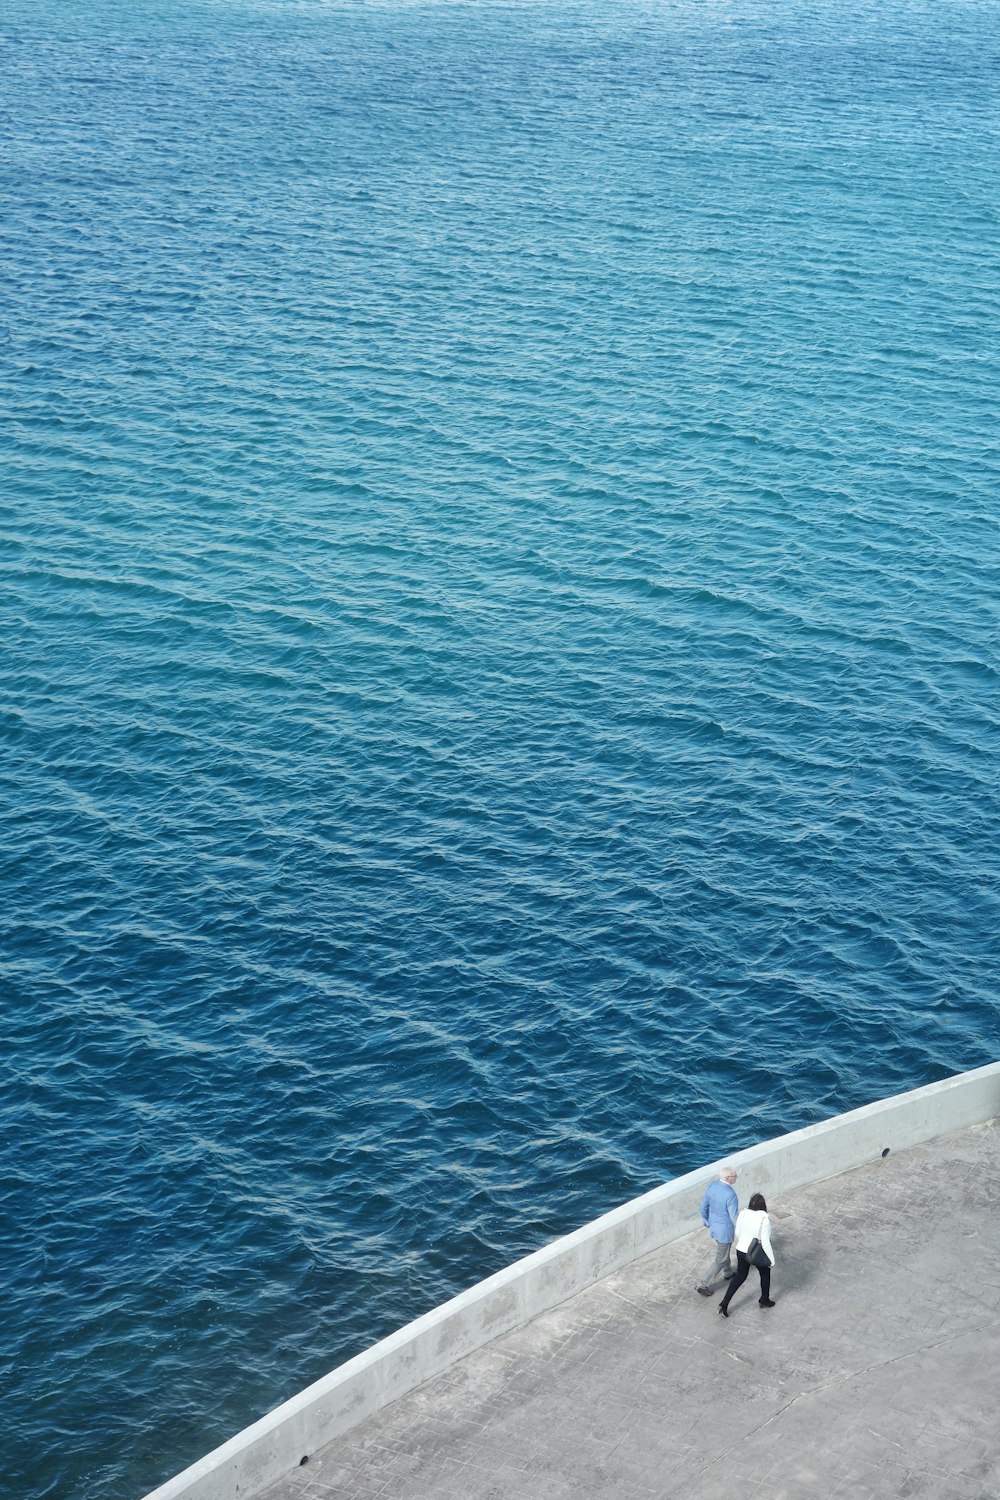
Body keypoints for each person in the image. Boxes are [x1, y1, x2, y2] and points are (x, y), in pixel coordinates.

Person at [718, 1192, 775, 1316]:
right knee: (765, 1273)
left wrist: (744, 1242)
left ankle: (725, 1302)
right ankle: (764, 1299)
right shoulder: (764, 1220)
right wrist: (772, 1260)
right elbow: (765, 1243)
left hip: (741, 1250)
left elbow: (738, 1232)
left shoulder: (743, 1214)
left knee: (740, 1276)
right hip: (756, 1252)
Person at [696, 1165, 738, 1296]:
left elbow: (703, 1207)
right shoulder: (731, 1194)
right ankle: (702, 1285)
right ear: (727, 1178)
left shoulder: (712, 1186)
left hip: (714, 1227)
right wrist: (744, 1230)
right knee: (720, 1258)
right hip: (724, 1231)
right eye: (734, 1176)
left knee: (724, 1251)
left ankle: (728, 1272)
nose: (736, 1178)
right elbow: (734, 1216)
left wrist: (707, 1221)